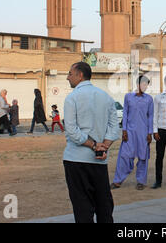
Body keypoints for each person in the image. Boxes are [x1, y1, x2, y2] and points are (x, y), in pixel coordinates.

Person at [63, 62, 120, 224]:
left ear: (80, 75)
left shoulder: (71, 98)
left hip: (76, 160)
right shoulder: (106, 97)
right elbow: (114, 127)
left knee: (82, 208)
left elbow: (72, 131)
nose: (67, 77)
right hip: (99, 160)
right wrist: (104, 146)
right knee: (104, 206)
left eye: (70, 73)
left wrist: (95, 146)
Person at [111, 76, 154, 191]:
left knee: (143, 157)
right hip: (129, 132)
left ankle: (141, 181)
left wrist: (150, 133)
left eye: (146, 84)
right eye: (143, 84)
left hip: (143, 133)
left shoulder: (149, 99)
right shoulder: (128, 97)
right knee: (124, 156)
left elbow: (150, 116)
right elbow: (125, 114)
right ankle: (118, 181)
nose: (144, 86)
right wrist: (124, 130)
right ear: (137, 84)